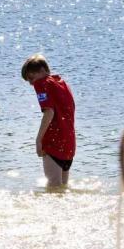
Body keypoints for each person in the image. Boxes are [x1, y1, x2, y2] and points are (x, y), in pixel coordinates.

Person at [21, 54, 76, 187]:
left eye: (31, 78)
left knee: (53, 189)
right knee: (62, 189)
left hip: (53, 143)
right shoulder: (62, 83)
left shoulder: (42, 83)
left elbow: (49, 112)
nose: (31, 83)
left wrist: (38, 140)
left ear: (42, 71)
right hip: (69, 143)